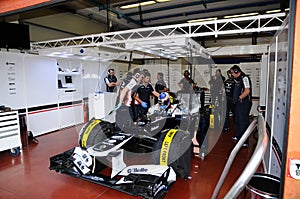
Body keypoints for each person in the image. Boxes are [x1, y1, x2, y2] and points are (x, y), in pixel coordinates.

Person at [230, 65, 252, 147]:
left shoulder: (244, 78)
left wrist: (239, 98)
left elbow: (247, 91)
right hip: (238, 103)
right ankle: (239, 135)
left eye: (232, 72)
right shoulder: (237, 80)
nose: (232, 74)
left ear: (236, 71)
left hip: (244, 103)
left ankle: (245, 141)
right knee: (237, 120)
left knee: (243, 121)